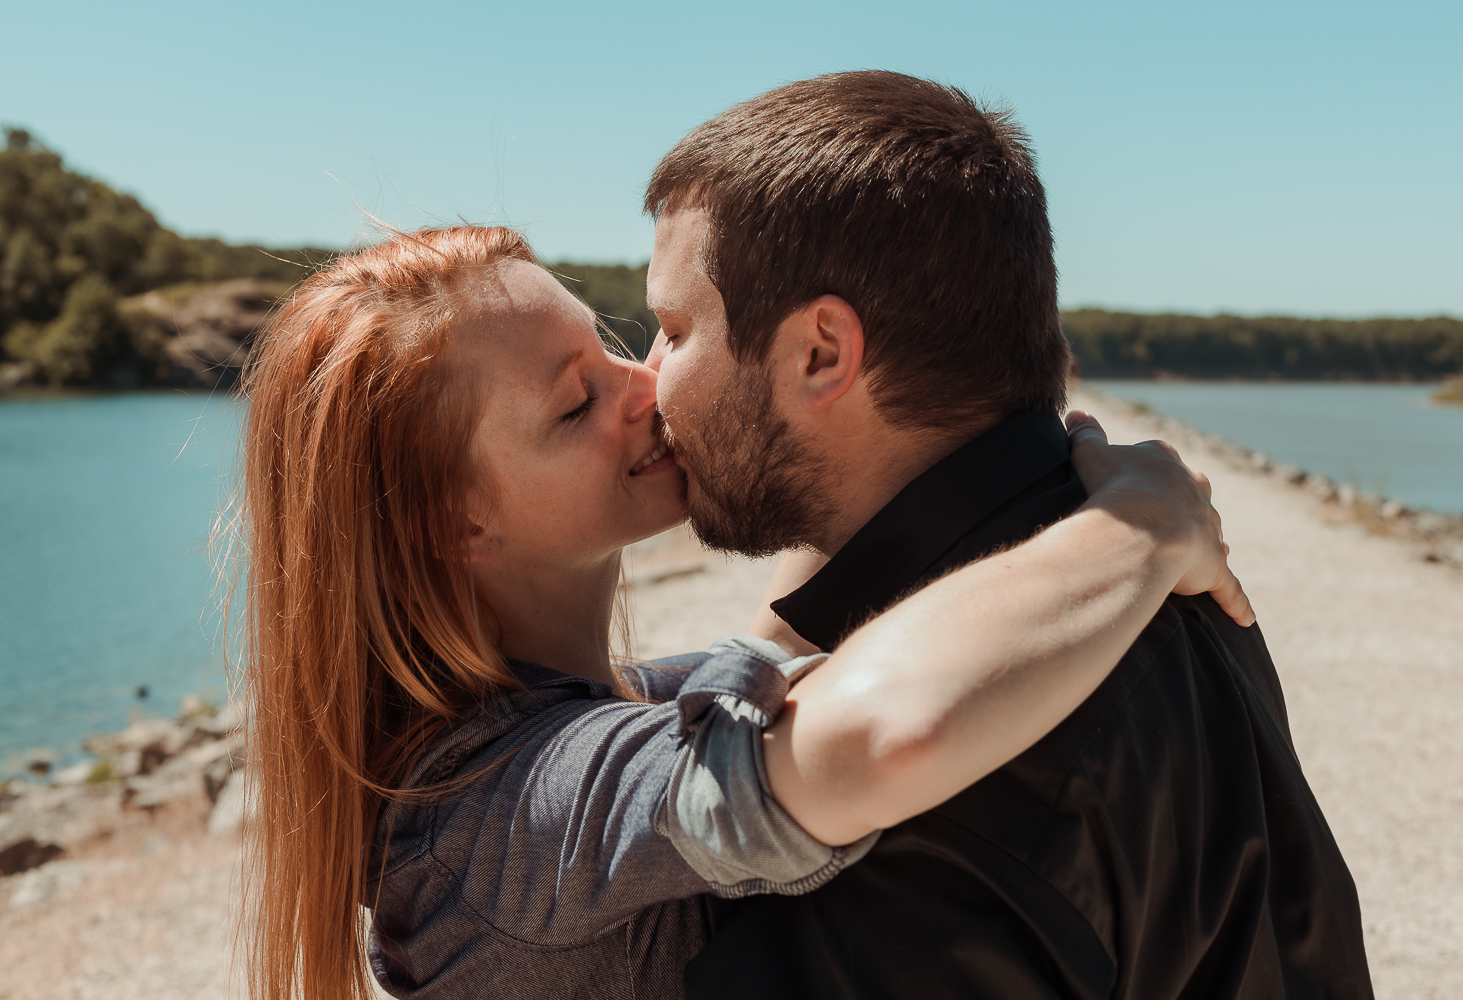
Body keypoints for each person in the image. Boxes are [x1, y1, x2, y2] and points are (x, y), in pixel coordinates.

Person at [238, 224, 1248, 1000]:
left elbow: (777, 638)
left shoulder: (567, 721)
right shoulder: (502, 814)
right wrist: (1139, 526)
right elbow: (878, 739)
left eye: (619, 347)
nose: (645, 387)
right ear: (449, 525)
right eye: (575, 405)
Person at [641, 71, 1376, 999]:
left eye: (672, 327)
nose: (647, 374)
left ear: (821, 353)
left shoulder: (933, 783)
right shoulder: (1133, 567)